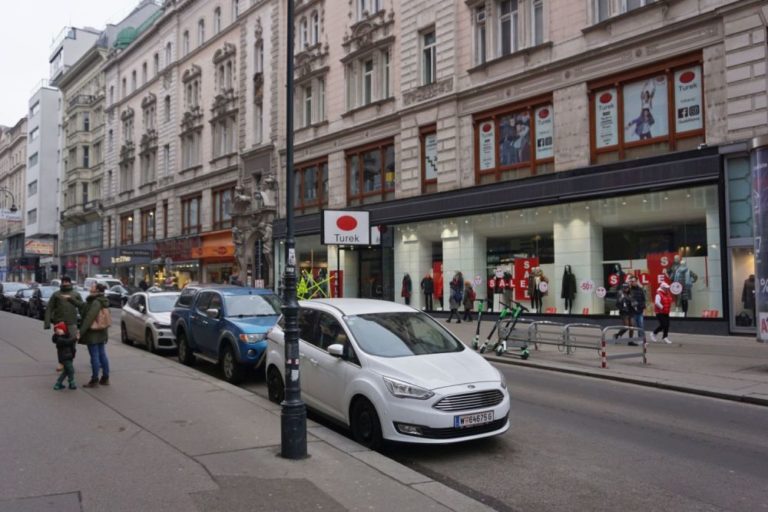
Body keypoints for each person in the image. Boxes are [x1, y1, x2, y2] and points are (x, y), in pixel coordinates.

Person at [43, 276, 84, 371]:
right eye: (63, 282)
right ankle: (61, 363)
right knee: (60, 344)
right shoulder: (56, 294)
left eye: (67, 281)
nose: (65, 283)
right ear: (61, 283)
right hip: (59, 323)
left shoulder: (75, 294)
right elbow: (49, 308)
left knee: (72, 343)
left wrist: (83, 322)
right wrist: (47, 323)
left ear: (70, 282)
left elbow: (82, 307)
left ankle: (69, 362)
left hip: (72, 322)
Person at [78, 283, 112, 388]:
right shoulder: (103, 300)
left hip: (93, 333)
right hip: (102, 332)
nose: (90, 288)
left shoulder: (96, 302)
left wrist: (81, 332)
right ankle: (105, 378)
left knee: (95, 356)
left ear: (96, 290)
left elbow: (89, 318)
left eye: (92, 287)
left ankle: (94, 379)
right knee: (102, 355)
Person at [52, 322, 77, 390]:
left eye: (59, 330)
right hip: (64, 358)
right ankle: (71, 382)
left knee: (66, 371)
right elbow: (67, 342)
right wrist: (75, 338)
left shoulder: (67, 336)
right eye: (56, 331)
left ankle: (58, 383)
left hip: (69, 356)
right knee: (71, 370)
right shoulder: (59, 339)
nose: (57, 331)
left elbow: (70, 344)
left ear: (64, 329)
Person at [627, 275, 646, 345]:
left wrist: (643, 307)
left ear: (637, 281)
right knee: (631, 326)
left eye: (634, 281)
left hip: (640, 310)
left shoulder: (640, 289)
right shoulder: (628, 290)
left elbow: (643, 299)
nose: (633, 282)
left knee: (641, 325)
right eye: (631, 281)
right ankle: (620, 336)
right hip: (632, 311)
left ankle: (640, 339)